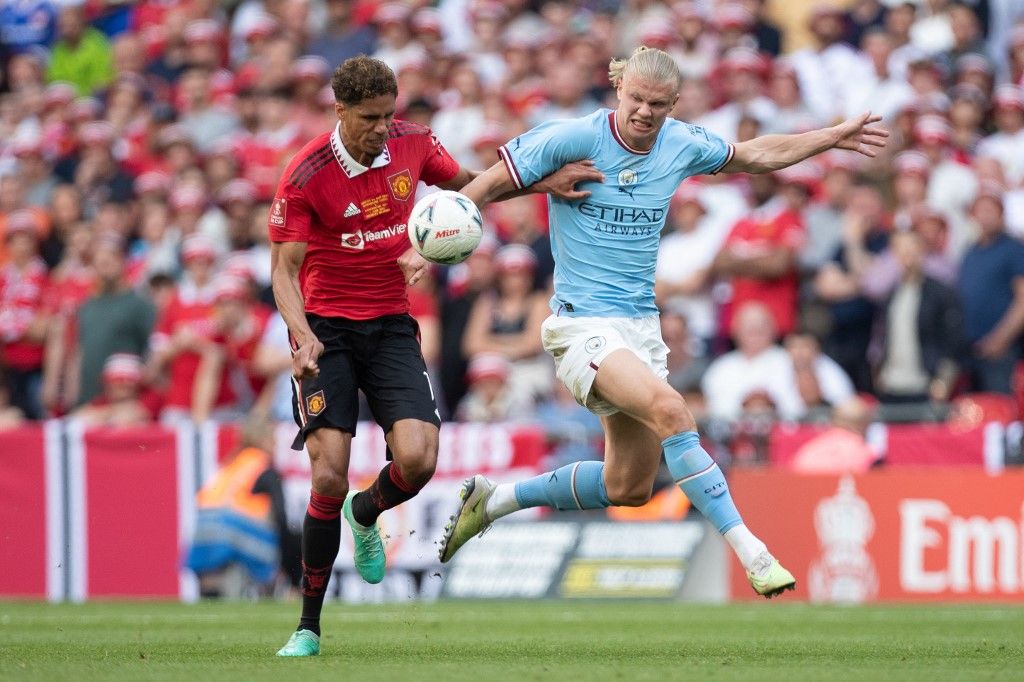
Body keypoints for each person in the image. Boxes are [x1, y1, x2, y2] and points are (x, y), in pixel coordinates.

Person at [439, 46, 887, 599]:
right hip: (582, 326)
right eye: (636, 100)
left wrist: (831, 136)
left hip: (640, 330)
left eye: (658, 105)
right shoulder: (571, 136)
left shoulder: (681, 145)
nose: (645, 113)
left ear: (674, 105)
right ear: (618, 89)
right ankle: (755, 551)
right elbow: (488, 182)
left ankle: (494, 501)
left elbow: (755, 155)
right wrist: (430, 243)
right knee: (675, 411)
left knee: (626, 486)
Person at [269, 55, 600, 657]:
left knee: (419, 461)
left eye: (388, 115)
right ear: (339, 110)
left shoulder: (413, 144)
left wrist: (541, 183)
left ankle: (365, 513)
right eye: (368, 118)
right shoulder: (306, 173)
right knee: (326, 472)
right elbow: (283, 272)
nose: (380, 128)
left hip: (392, 325)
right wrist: (301, 333)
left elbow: (471, 183)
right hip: (325, 330)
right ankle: (308, 626)